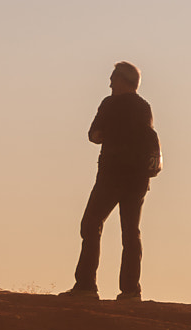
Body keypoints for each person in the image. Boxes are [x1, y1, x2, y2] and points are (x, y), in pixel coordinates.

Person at [61, 62, 161, 302]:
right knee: (129, 232)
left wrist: (105, 135)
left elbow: (94, 135)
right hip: (135, 179)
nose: (110, 83)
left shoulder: (110, 104)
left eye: (113, 78)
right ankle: (129, 291)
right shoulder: (142, 107)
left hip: (112, 176)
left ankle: (86, 286)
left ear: (123, 80)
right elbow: (96, 134)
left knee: (92, 224)